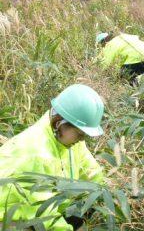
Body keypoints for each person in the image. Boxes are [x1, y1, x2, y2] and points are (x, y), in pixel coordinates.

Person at [0, 84, 105, 230]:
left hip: (44, 209)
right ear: (59, 123)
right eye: (80, 134)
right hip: (11, 218)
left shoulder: (67, 140)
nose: (82, 140)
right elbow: (43, 214)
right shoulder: (35, 153)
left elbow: (92, 172)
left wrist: (106, 195)